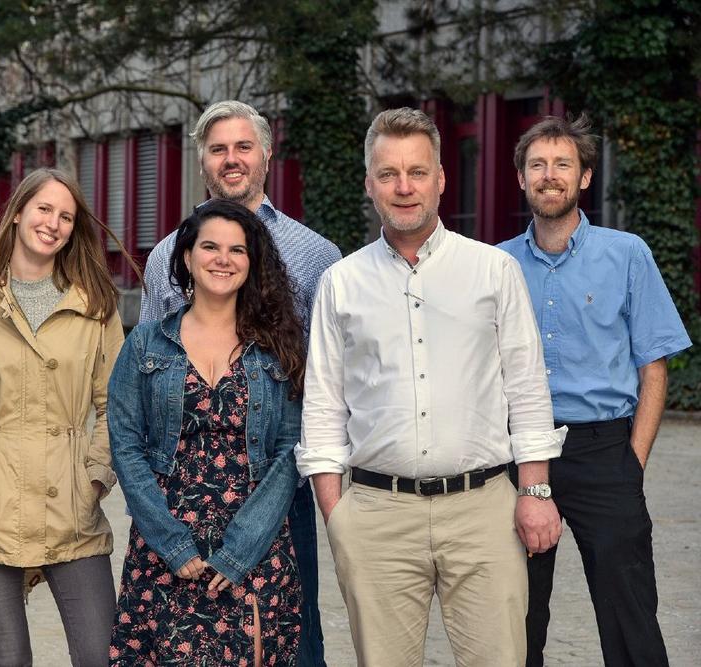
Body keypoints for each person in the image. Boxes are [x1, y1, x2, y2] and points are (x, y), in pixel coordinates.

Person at [297, 107, 568, 666]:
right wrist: (338, 517)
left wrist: (535, 493)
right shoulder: (340, 283)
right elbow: (323, 405)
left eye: (417, 172)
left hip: (484, 513)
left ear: (441, 179)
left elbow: (527, 390)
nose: (404, 187)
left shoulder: (493, 271)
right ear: (369, 184)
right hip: (376, 518)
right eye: (389, 174)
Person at [139, 99, 339, 666]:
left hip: (278, 483)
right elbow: (150, 377)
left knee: (292, 638)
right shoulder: (167, 257)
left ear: (267, 156)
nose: (231, 159)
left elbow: (325, 377)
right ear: (203, 160)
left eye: (243, 147)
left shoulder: (316, 256)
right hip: (185, 489)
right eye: (218, 149)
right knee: (187, 638)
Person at [499, 114, 691, 667]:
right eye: (538, 165)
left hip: (605, 453)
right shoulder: (497, 264)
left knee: (630, 617)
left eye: (563, 164)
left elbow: (653, 366)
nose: (550, 175)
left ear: (584, 177)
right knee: (515, 620)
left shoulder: (627, 254)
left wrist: (631, 464)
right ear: (521, 178)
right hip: (518, 451)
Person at [0, 168, 133, 666]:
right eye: (44, 209)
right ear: (18, 213)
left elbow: (117, 404)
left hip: (71, 504)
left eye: (66, 216)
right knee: (8, 660)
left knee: (100, 655)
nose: (54, 223)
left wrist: (94, 478)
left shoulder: (95, 304)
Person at [109, 199, 306, 665]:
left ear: (251, 263)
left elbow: (289, 451)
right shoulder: (146, 344)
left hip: (254, 546)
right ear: (187, 256)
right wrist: (172, 544)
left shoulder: (277, 347)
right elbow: (126, 447)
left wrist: (241, 550)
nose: (224, 259)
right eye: (211, 247)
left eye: (238, 250)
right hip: (165, 546)